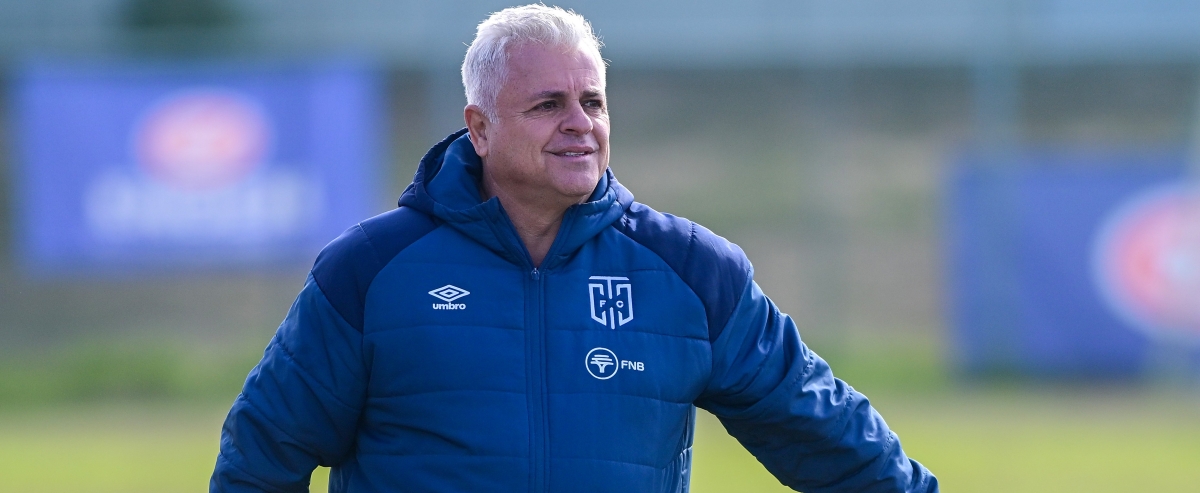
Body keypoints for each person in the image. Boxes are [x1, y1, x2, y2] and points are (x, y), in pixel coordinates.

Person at [211, 5, 938, 493]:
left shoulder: (693, 273)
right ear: (480, 127)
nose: (579, 123)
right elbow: (263, 451)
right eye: (548, 105)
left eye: (592, 102)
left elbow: (823, 426)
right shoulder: (369, 272)